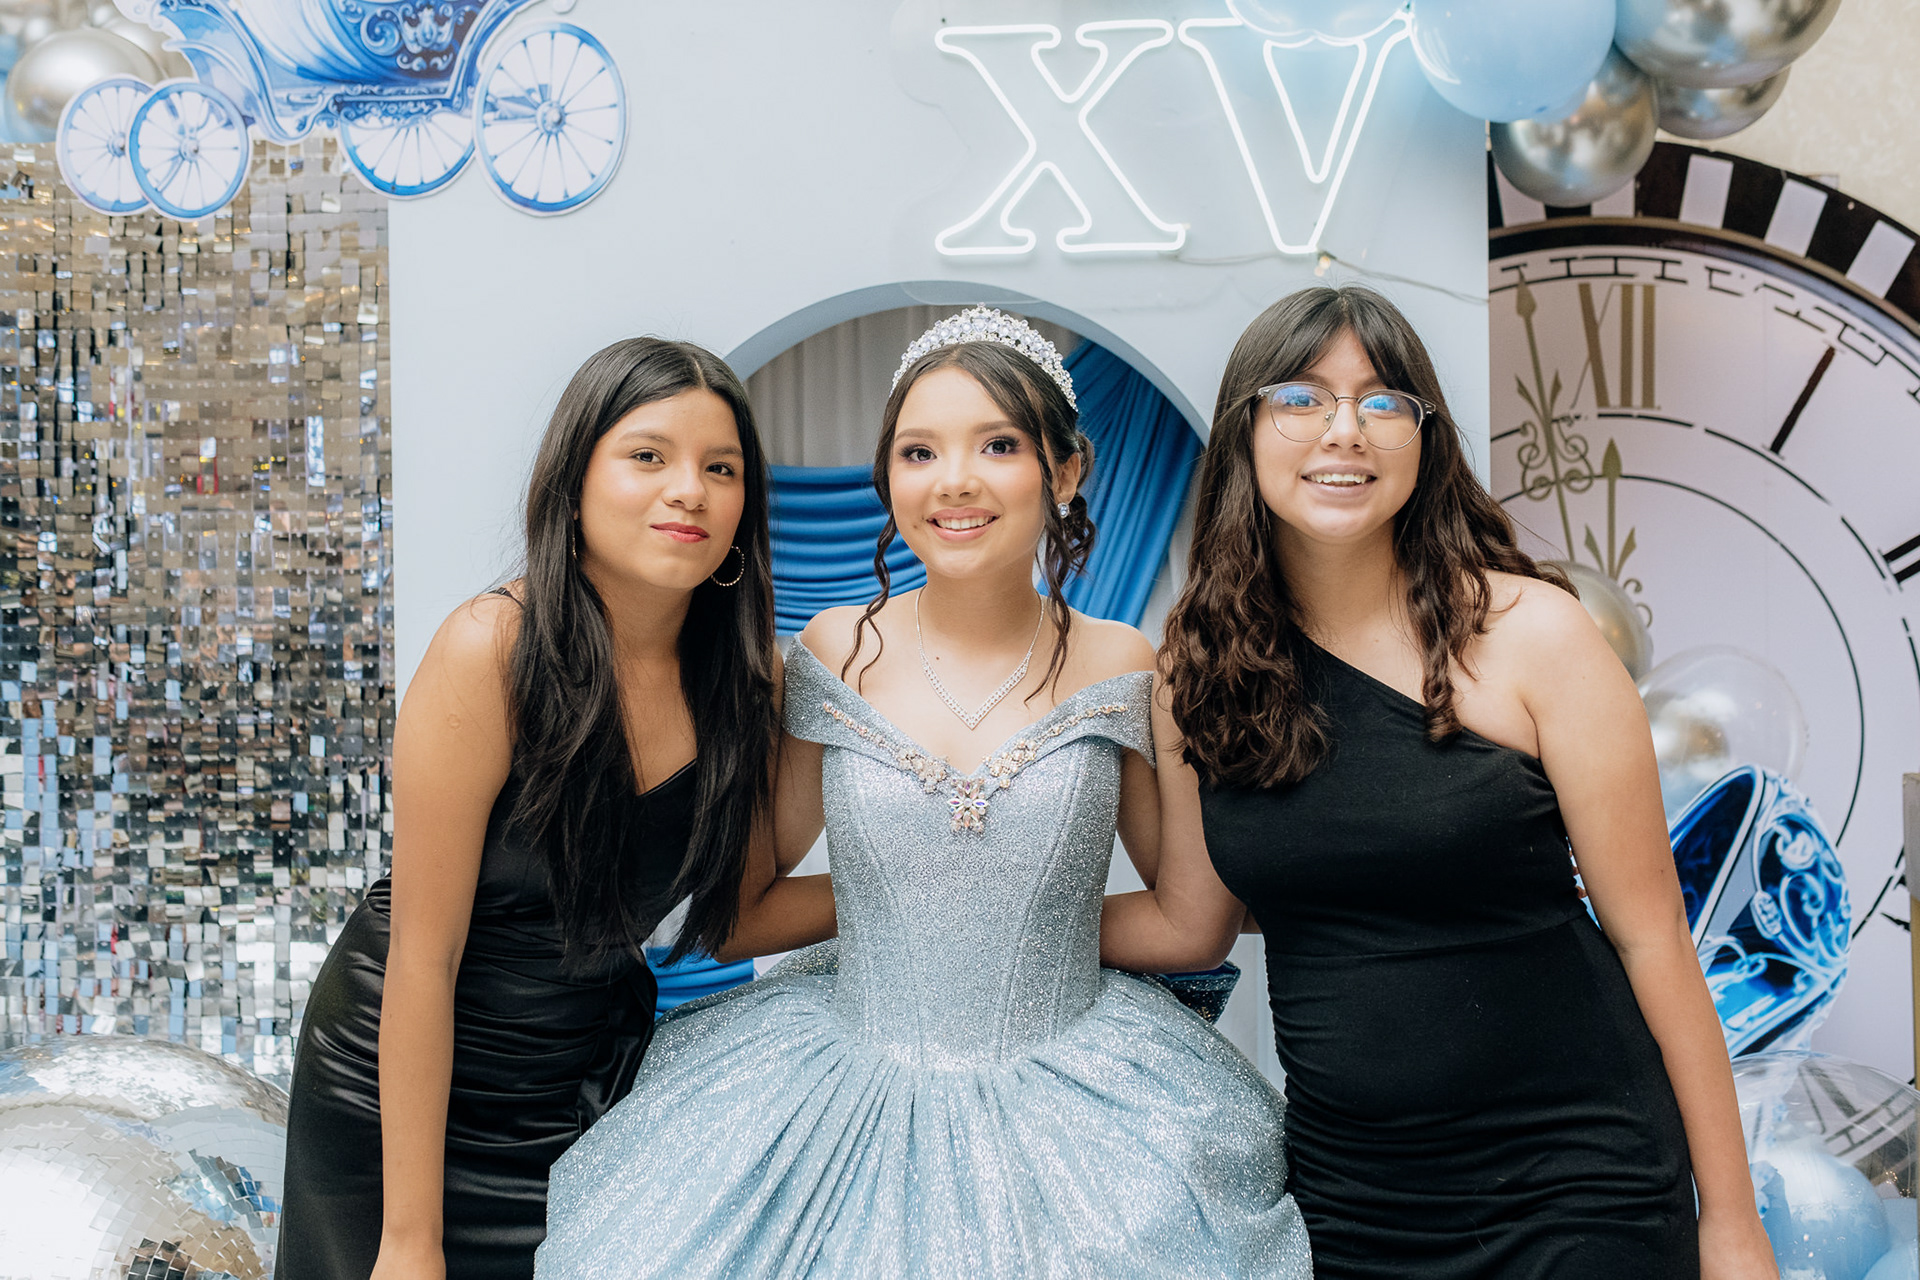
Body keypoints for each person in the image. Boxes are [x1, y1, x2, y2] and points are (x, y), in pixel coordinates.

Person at [535, 308, 1311, 1279]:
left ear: (1066, 470)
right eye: (919, 451)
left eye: (998, 445)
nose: (954, 479)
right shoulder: (830, 653)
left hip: (1077, 1095)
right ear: (889, 477)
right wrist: (909, 906)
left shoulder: (1129, 663)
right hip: (840, 1078)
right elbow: (738, 914)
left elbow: (1190, 924)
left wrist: (1016, 923)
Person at [1101, 286, 1778, 1280]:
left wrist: (1733, 1223)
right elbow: (1189, 924)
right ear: (1245, 431)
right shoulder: (1198, 675)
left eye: (1383, 401)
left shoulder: (1534, 636)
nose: (1345, 429)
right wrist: (970, 923)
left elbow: (1655, 938)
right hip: (1355, 1198)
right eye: (1302, 398)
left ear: (1425, 439)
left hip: (1579, 1175)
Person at [276, 338, 836, 1280]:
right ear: (573, 483)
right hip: (401, 1092)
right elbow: (423, 957)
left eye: (721, 468)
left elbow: (737, 918)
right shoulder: (491, 648)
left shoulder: (750, 680)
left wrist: (928, 886)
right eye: (649, 456)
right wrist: (409, 1241)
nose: (689, 491)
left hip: (580, 1078)